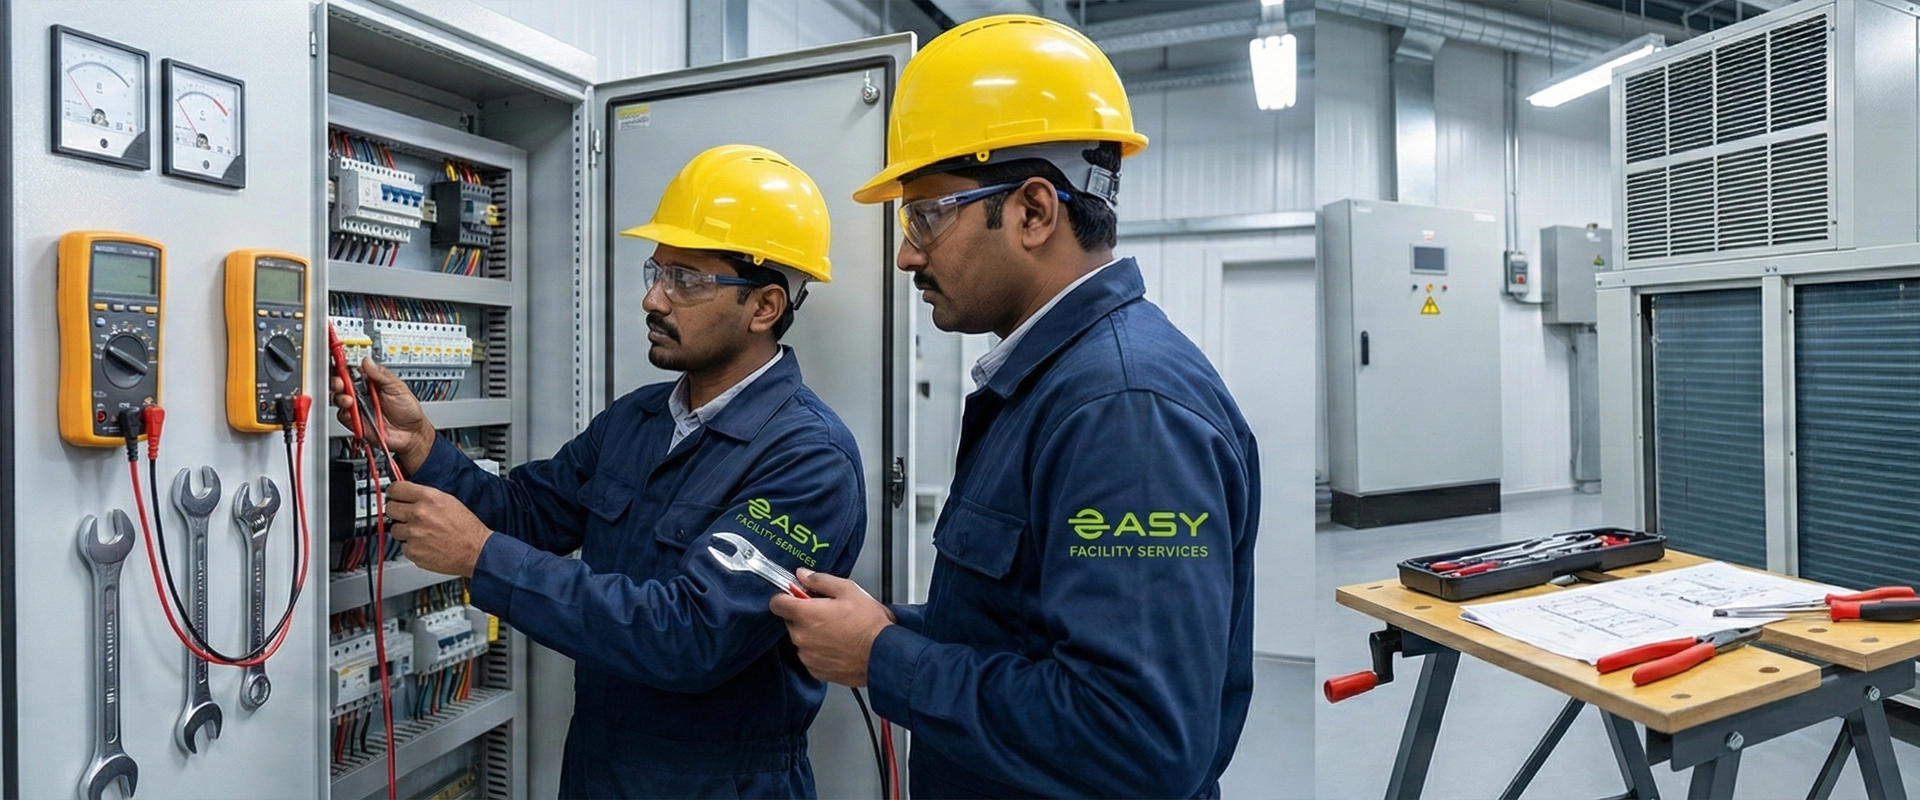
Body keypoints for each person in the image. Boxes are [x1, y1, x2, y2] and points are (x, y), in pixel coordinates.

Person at [768, 14, 1262, 799]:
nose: (906, 253)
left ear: (1034, 212)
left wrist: (884, 660)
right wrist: (896, 628)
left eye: (927, 214)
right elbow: (1031, 636)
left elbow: (1135, 740)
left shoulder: (1124, 410)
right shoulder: (1052, 385)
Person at [332, 145, 866, 799]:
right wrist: (419, 442)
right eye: (658, 270)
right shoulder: (638, 421)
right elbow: (525, 513)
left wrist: (481, 557)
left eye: (687, 280)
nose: (653, 297)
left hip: (721, 784)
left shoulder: (808, 460)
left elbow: (691, 637)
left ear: (764, 307)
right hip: (599, 766)